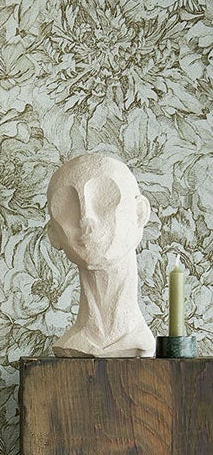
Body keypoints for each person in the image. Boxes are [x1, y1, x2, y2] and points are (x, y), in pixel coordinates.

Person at [47, 152, 155, 357]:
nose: (85, 219)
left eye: (105, 198)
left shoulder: (141, 342)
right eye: (67, 206)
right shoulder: (70, 344)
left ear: (139, 214)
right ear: (53, 234)